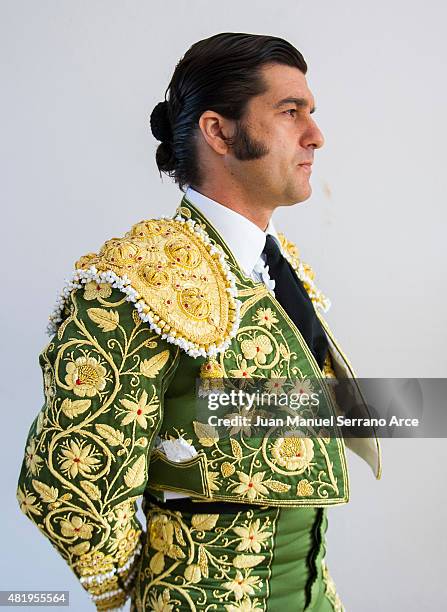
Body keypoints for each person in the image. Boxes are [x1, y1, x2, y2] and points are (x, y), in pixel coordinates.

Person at [16, 32, 381, 611]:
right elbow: (73, 488)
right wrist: (142, 583)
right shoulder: (138, 278)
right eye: (290, 112)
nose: (316, 135)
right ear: (219, 131)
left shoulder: (281, 270)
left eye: (311, 113)